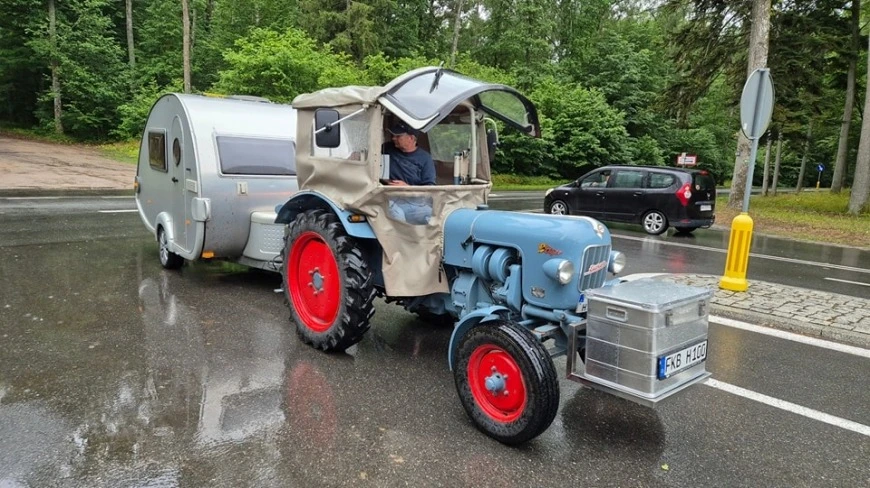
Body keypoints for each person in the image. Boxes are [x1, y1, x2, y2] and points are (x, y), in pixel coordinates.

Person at [382, 122, 436, 224]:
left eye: (398, 136)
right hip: (389, 198)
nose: (393, 138)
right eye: (393, 135)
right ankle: (401, 239)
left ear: (411, 138)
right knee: (396, 214)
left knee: (433, 216)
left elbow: (430, 188)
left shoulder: (425, 158)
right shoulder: (386, 148)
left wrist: (407, 187)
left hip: (414, 202)